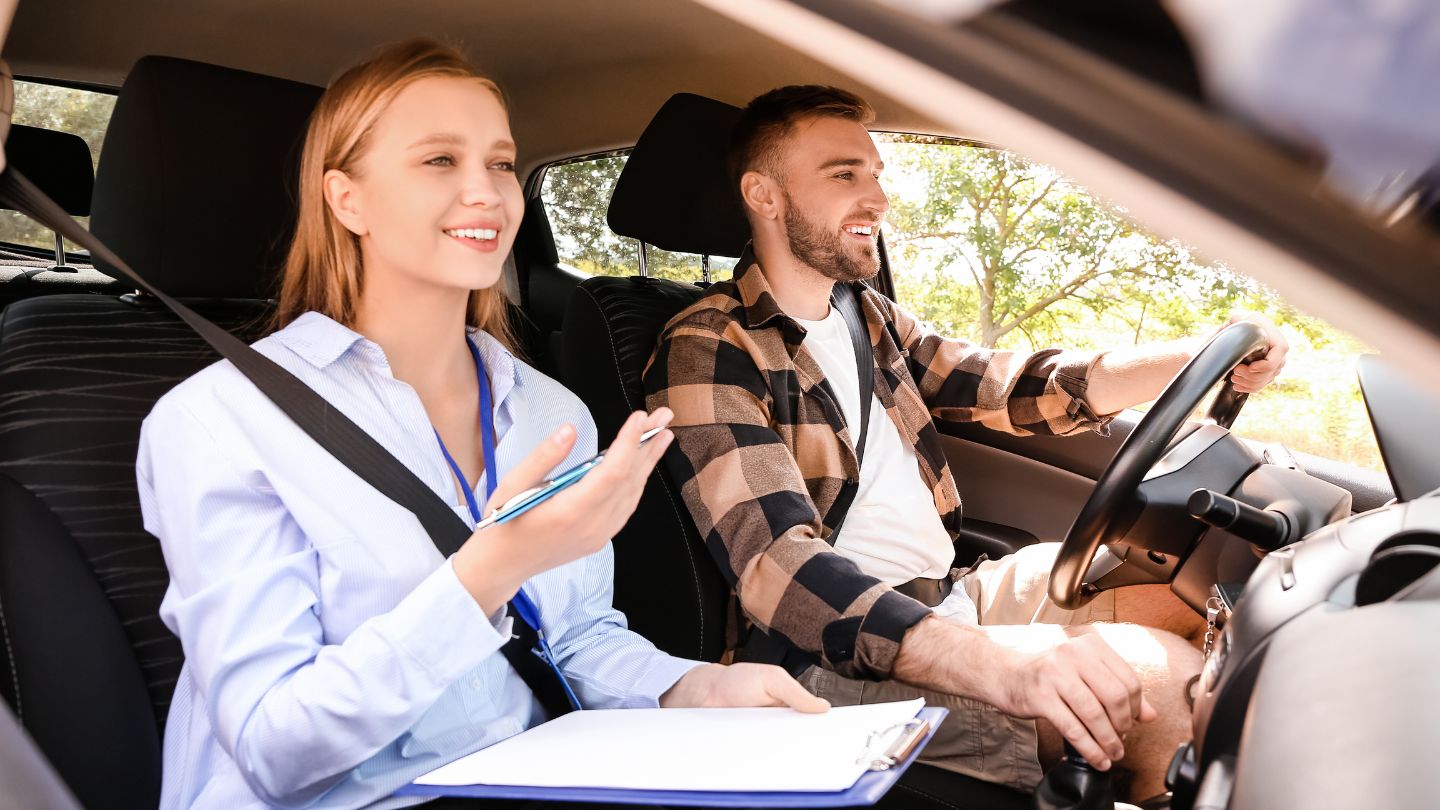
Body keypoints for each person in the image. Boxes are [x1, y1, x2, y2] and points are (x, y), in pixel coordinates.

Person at [136, 41, 825, 810]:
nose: (488, 194)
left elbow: (576, 641)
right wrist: (487, 572)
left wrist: (698, 687)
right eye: (439, 160)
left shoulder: (550, 411)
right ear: (346, 199)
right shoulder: (219, 420)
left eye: (500, 164)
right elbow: (275, 751)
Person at [641, 85, 1289, 801]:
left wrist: (1201, 355)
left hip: (950, 595)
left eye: (877, 174)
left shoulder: (866, 315)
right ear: (763, 195)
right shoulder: (708, 348)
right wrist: (997, 665)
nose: (878, 198)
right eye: (844, 174)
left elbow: (1006, 385)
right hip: (830, 661)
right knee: (1163, 692)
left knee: (1197, 601)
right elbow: (778, 565)